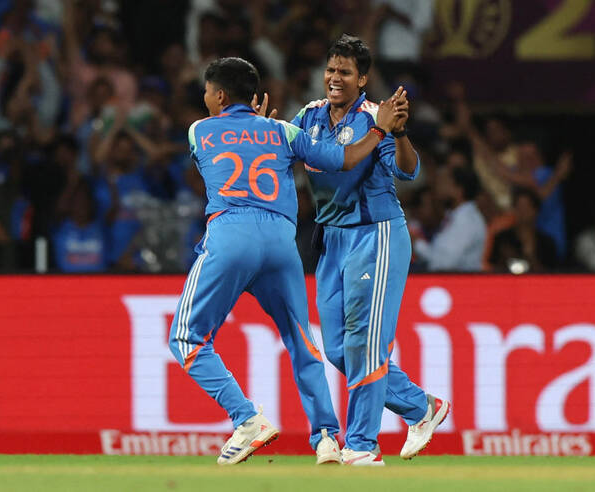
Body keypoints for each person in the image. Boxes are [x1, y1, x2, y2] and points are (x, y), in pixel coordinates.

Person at [167, 56, 405, 465]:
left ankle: (246, 419)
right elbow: (345, 159)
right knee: (301, 342)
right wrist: (380, 130)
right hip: (281, 240)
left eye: (207, 91)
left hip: (231, 234)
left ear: (219, 96)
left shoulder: (198, 129)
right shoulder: (284, 131)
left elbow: (222, 151)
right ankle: (327, 437)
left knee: (186, 338)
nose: (204, 98)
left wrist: (250, 129)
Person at [291, 34, 450, 466]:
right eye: (331, 69)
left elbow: (408, 170)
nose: (334, 77)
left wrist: (399, 133)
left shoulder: (373, 117)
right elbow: (282, 149)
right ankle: (422, 407)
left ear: (362, 79)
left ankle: (362, 443)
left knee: (365, 342)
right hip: (330, 239)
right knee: (338, 349)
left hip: (375, 235)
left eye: (345, 71)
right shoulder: (308, 116)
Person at [415, 166, 487, 271]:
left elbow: (444, 264)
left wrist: (416, 243)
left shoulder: (466, 220)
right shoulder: (454, 216)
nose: (437, 187)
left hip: (459, 280)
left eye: (444, 183)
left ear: (459, 190)